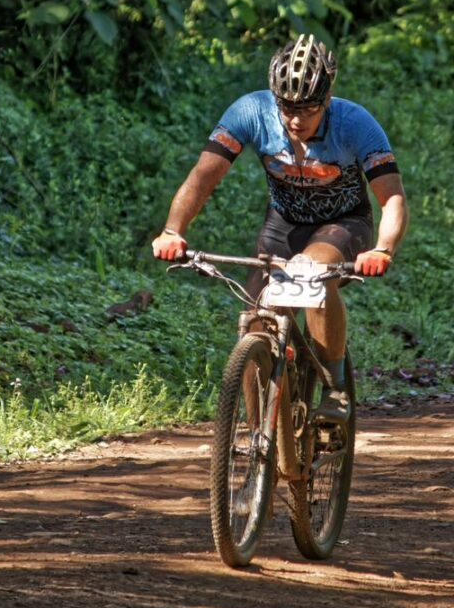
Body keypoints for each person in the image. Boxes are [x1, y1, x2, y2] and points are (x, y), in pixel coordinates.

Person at [152, 34, 409, 419]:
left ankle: (335, 388)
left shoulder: (356, 124)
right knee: (257, 320)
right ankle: (263, 433)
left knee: (312, 272)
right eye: (287, 106)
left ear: (326, 100)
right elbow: (203, 178)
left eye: (307, 109)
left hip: (343, 224)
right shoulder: (251, 112)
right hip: (283, 225)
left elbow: (392, 199)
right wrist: (173, 230)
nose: (294, 119)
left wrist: (383, 248)